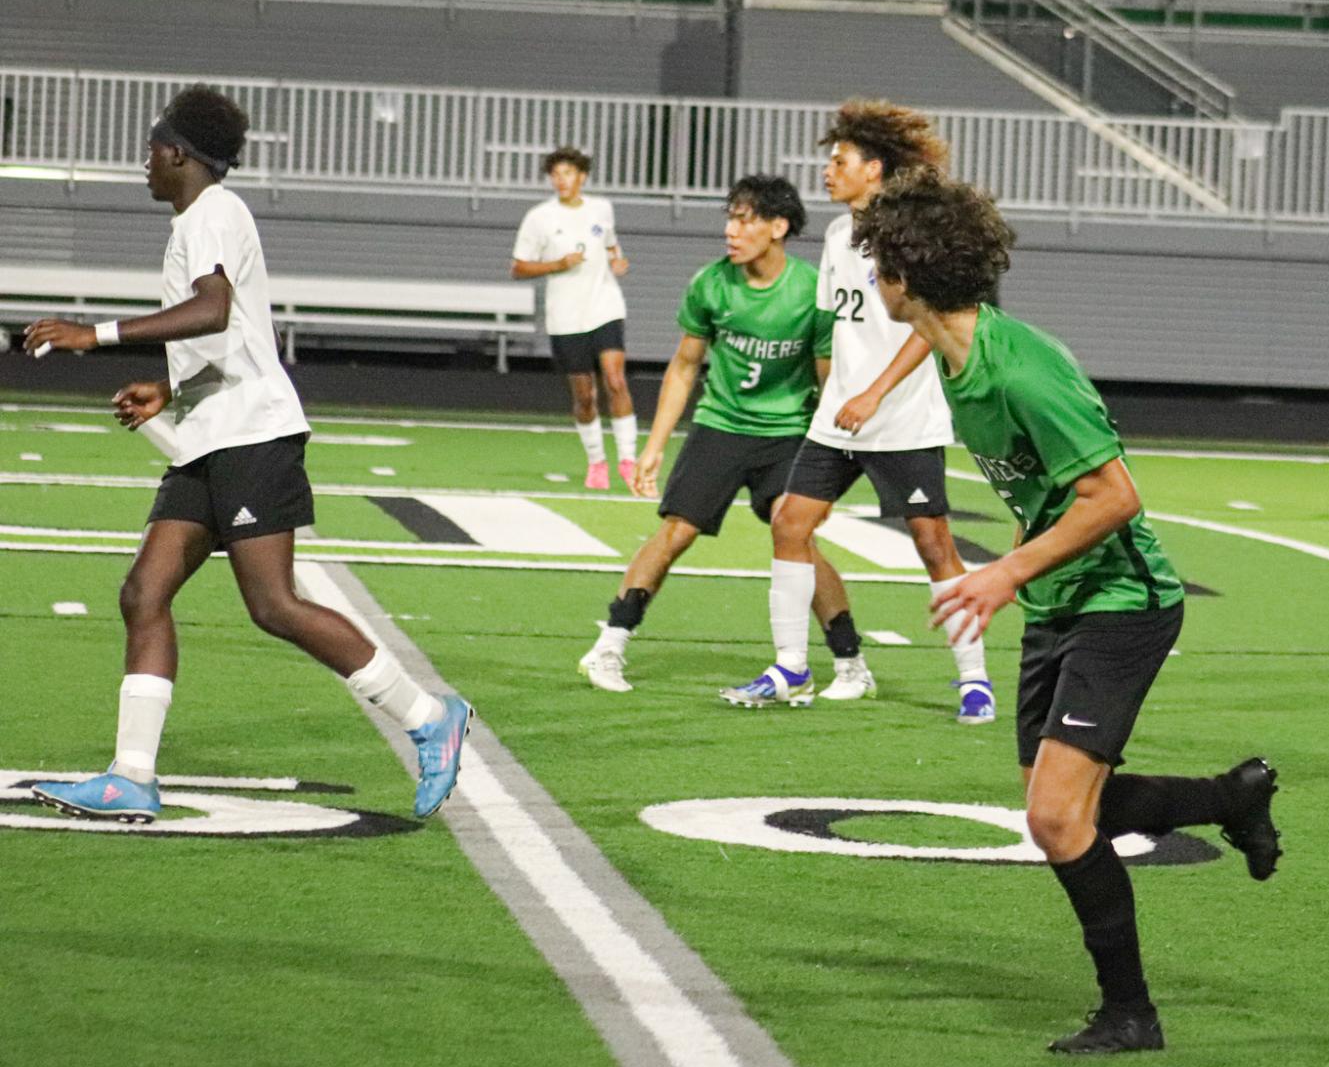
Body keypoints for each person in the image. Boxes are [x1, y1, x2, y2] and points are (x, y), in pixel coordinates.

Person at [852, 170, 1282, 1055]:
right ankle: (1227, 797)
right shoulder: (952, 347)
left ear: (904, 278)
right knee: (1060, 811)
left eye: (877, 267)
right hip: (1060, 599)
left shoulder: (1022, 373)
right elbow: (936, 354)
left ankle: (1131, 1015)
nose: (871, 282)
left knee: (1055, 821)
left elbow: (1113, 497)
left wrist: (1003, 570)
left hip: (1121, 602)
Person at [22, 85, 472, 827]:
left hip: (252, 434)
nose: (144, 161)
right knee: (144, 593)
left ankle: (428, 714)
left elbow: (212, 309)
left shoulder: (213, 213)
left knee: (274, 604)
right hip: (212, 433)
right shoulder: (200, 218)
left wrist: (91, 334)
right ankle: (131, 776)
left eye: (150, 148)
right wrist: (169, 388)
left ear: (178, 154)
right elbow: (221, 336)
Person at [726, 100, 994, 721]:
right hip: (838, 419)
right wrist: (833, 394)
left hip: (901, 418)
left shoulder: (904, 239)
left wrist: (874, 392)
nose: (827, 171)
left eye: (839, 161)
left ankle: (974, 679)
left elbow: (926, 326)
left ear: (873, 169)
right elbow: (838, 327)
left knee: (933, 545)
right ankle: (791, 666)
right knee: (790, 523)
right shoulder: (840, 235)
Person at [575, 176, 838, 695]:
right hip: (720, 426)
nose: (731, 230)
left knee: (796, 535)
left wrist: (831, 454)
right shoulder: (710, 284)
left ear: (778, 227)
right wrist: (653, 446)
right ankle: (609, 644)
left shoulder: (813, 291)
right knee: (677, 531)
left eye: (745, 220)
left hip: (788, 432)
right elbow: (684, 366)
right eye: (730, 218)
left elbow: (828, 378)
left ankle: (850, 661)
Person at [510, 147, 638, 491]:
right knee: (585, 395)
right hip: (565, 315)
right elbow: (518, 267)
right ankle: (597, 462)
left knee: (615, 379)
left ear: (582, 176)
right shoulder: (539, 217)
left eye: (567, 173)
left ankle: (628, 459)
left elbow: (611, 245)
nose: (561, 180)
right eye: (556, 174)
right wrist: (556, 264)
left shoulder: (602, 208)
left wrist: (618, 261)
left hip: (605, 307)